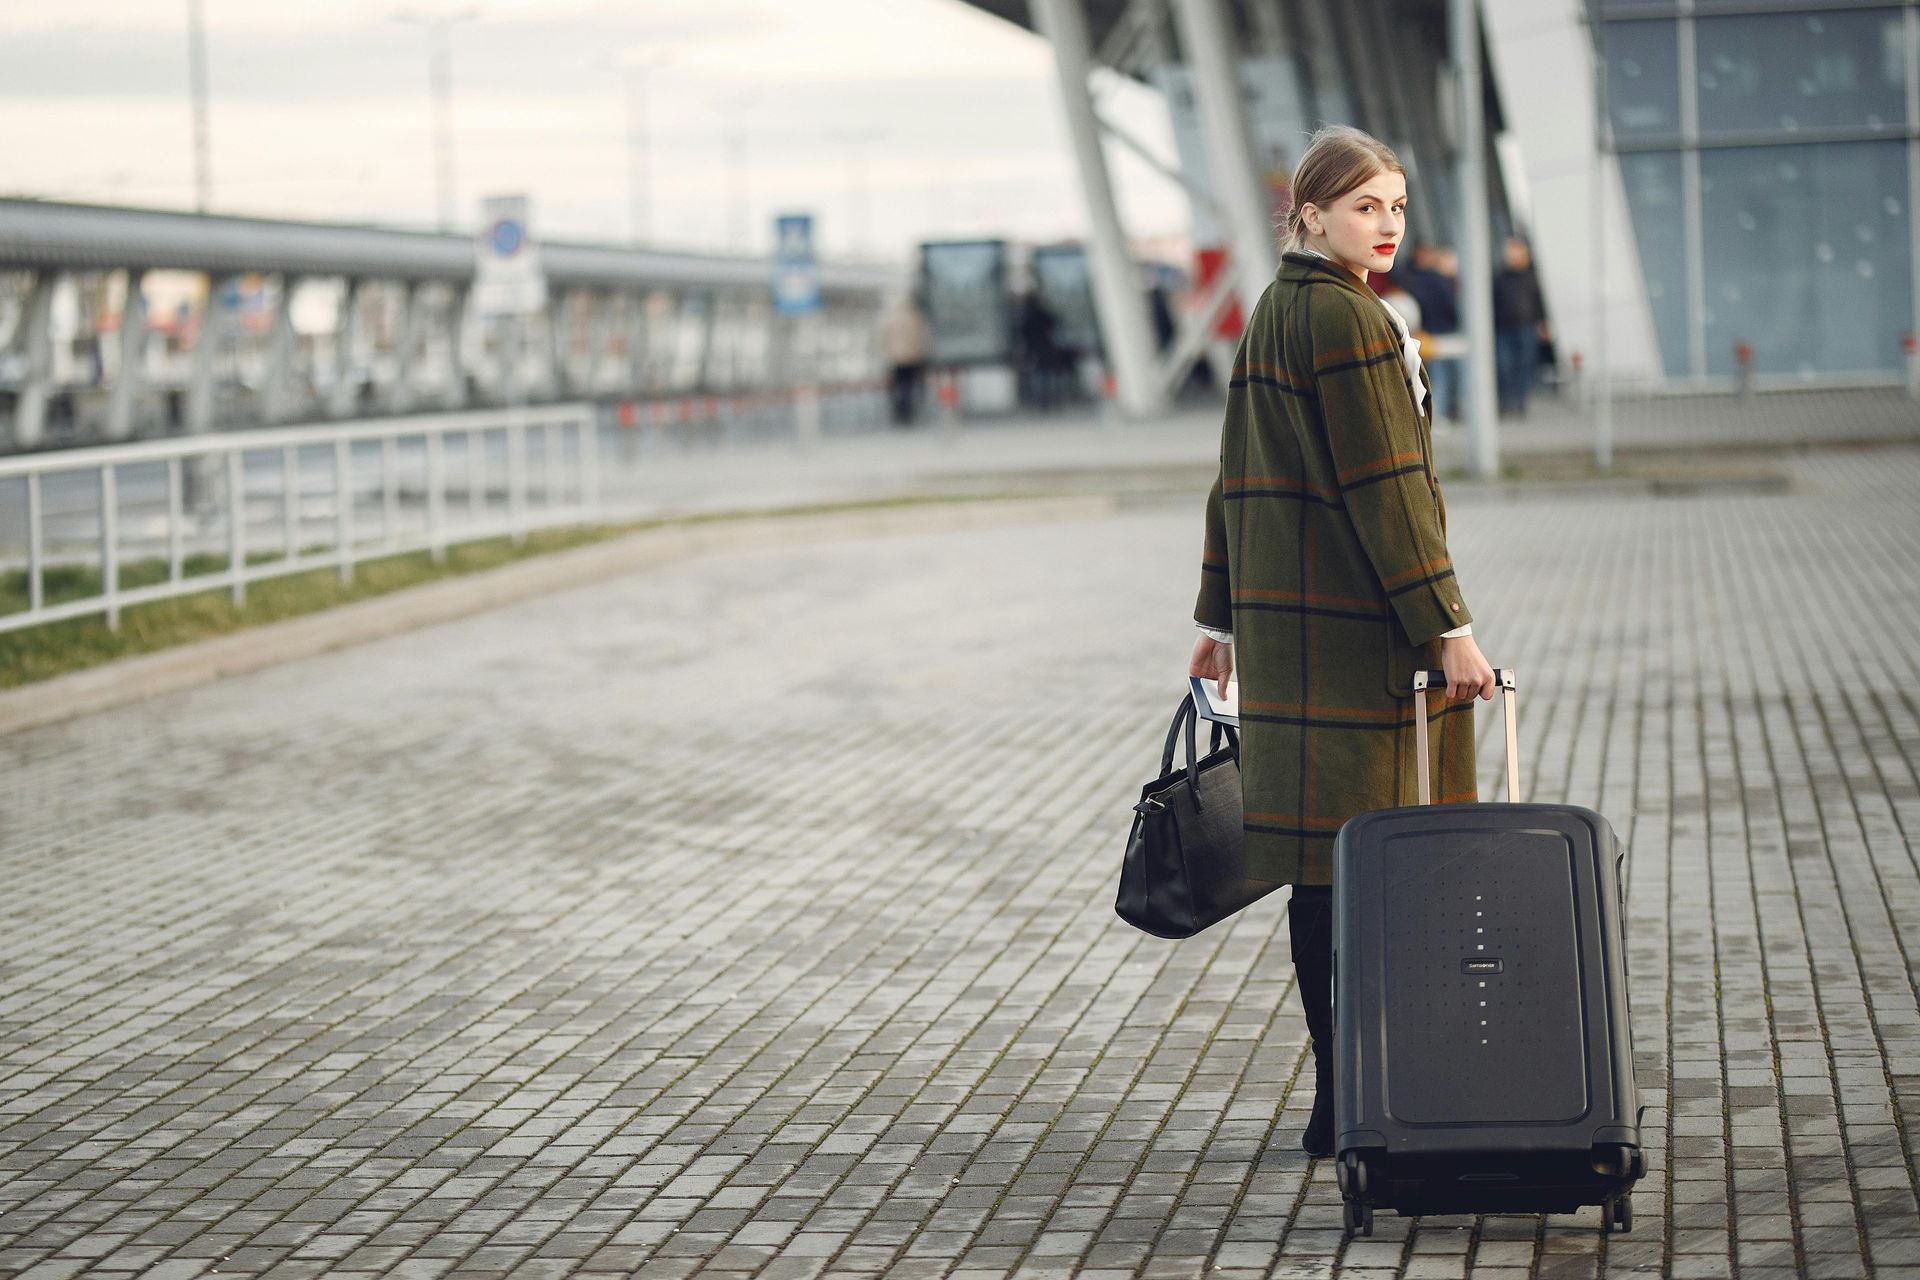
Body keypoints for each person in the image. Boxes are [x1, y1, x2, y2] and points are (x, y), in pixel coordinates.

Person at [1186, 123, 1497, 1159]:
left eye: (1398, 207)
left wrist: (1217, 617)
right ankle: (1375, 1093)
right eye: (1366, 205)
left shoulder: (1276, 311)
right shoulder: (1352, 323)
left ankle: (1337, 1095)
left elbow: (1235, 473)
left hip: (1291, 632)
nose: (1388, 225)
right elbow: (1390, 491)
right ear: (1310, 211)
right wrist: (1446, 625)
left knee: (1325, 867)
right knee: (1387, 860)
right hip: (1364, 637)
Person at [1399, 242, 1464, 427]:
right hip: (1434, 331)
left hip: (1437, 330)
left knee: (1443, 374)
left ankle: (1444, 412)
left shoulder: (1411, 279)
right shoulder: (1434, 280)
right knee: (1441, 375)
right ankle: (1441, 413)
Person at [1493, 237, 1548, 417]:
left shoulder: (1532, 277)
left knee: (1524, 367)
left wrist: (1542, 324)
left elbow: (1539, 302)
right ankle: (1506, 403)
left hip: (1526, 328)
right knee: (1505, 366)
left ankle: (1520, 403)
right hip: (1503, 329)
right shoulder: (1500, 277)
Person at [880, 293, 932, 427]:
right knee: (911, 387)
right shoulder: (917, 319)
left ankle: (900, 412)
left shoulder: (891, 320)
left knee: (900, 387)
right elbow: (923, 339)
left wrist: (889, 353)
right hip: (914, 358)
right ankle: (908, 413)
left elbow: (884, 339)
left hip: (896, 359)